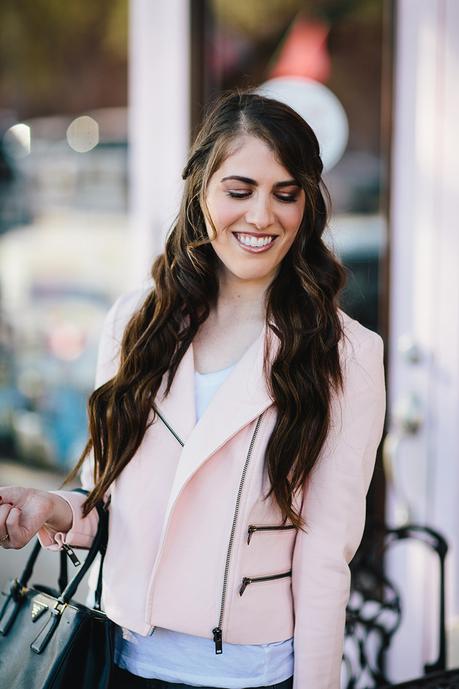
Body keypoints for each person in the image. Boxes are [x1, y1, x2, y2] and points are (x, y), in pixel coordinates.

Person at [0, 90, 386, 689]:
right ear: (201, 192)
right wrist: (54, 509)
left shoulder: (347, 354)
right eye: (239, 191)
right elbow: (111, 507)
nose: (262, 216)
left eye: (286, 194)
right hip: (121, 664)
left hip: (253, 677)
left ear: (307, 206)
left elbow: (324, 561)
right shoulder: (137, 324)